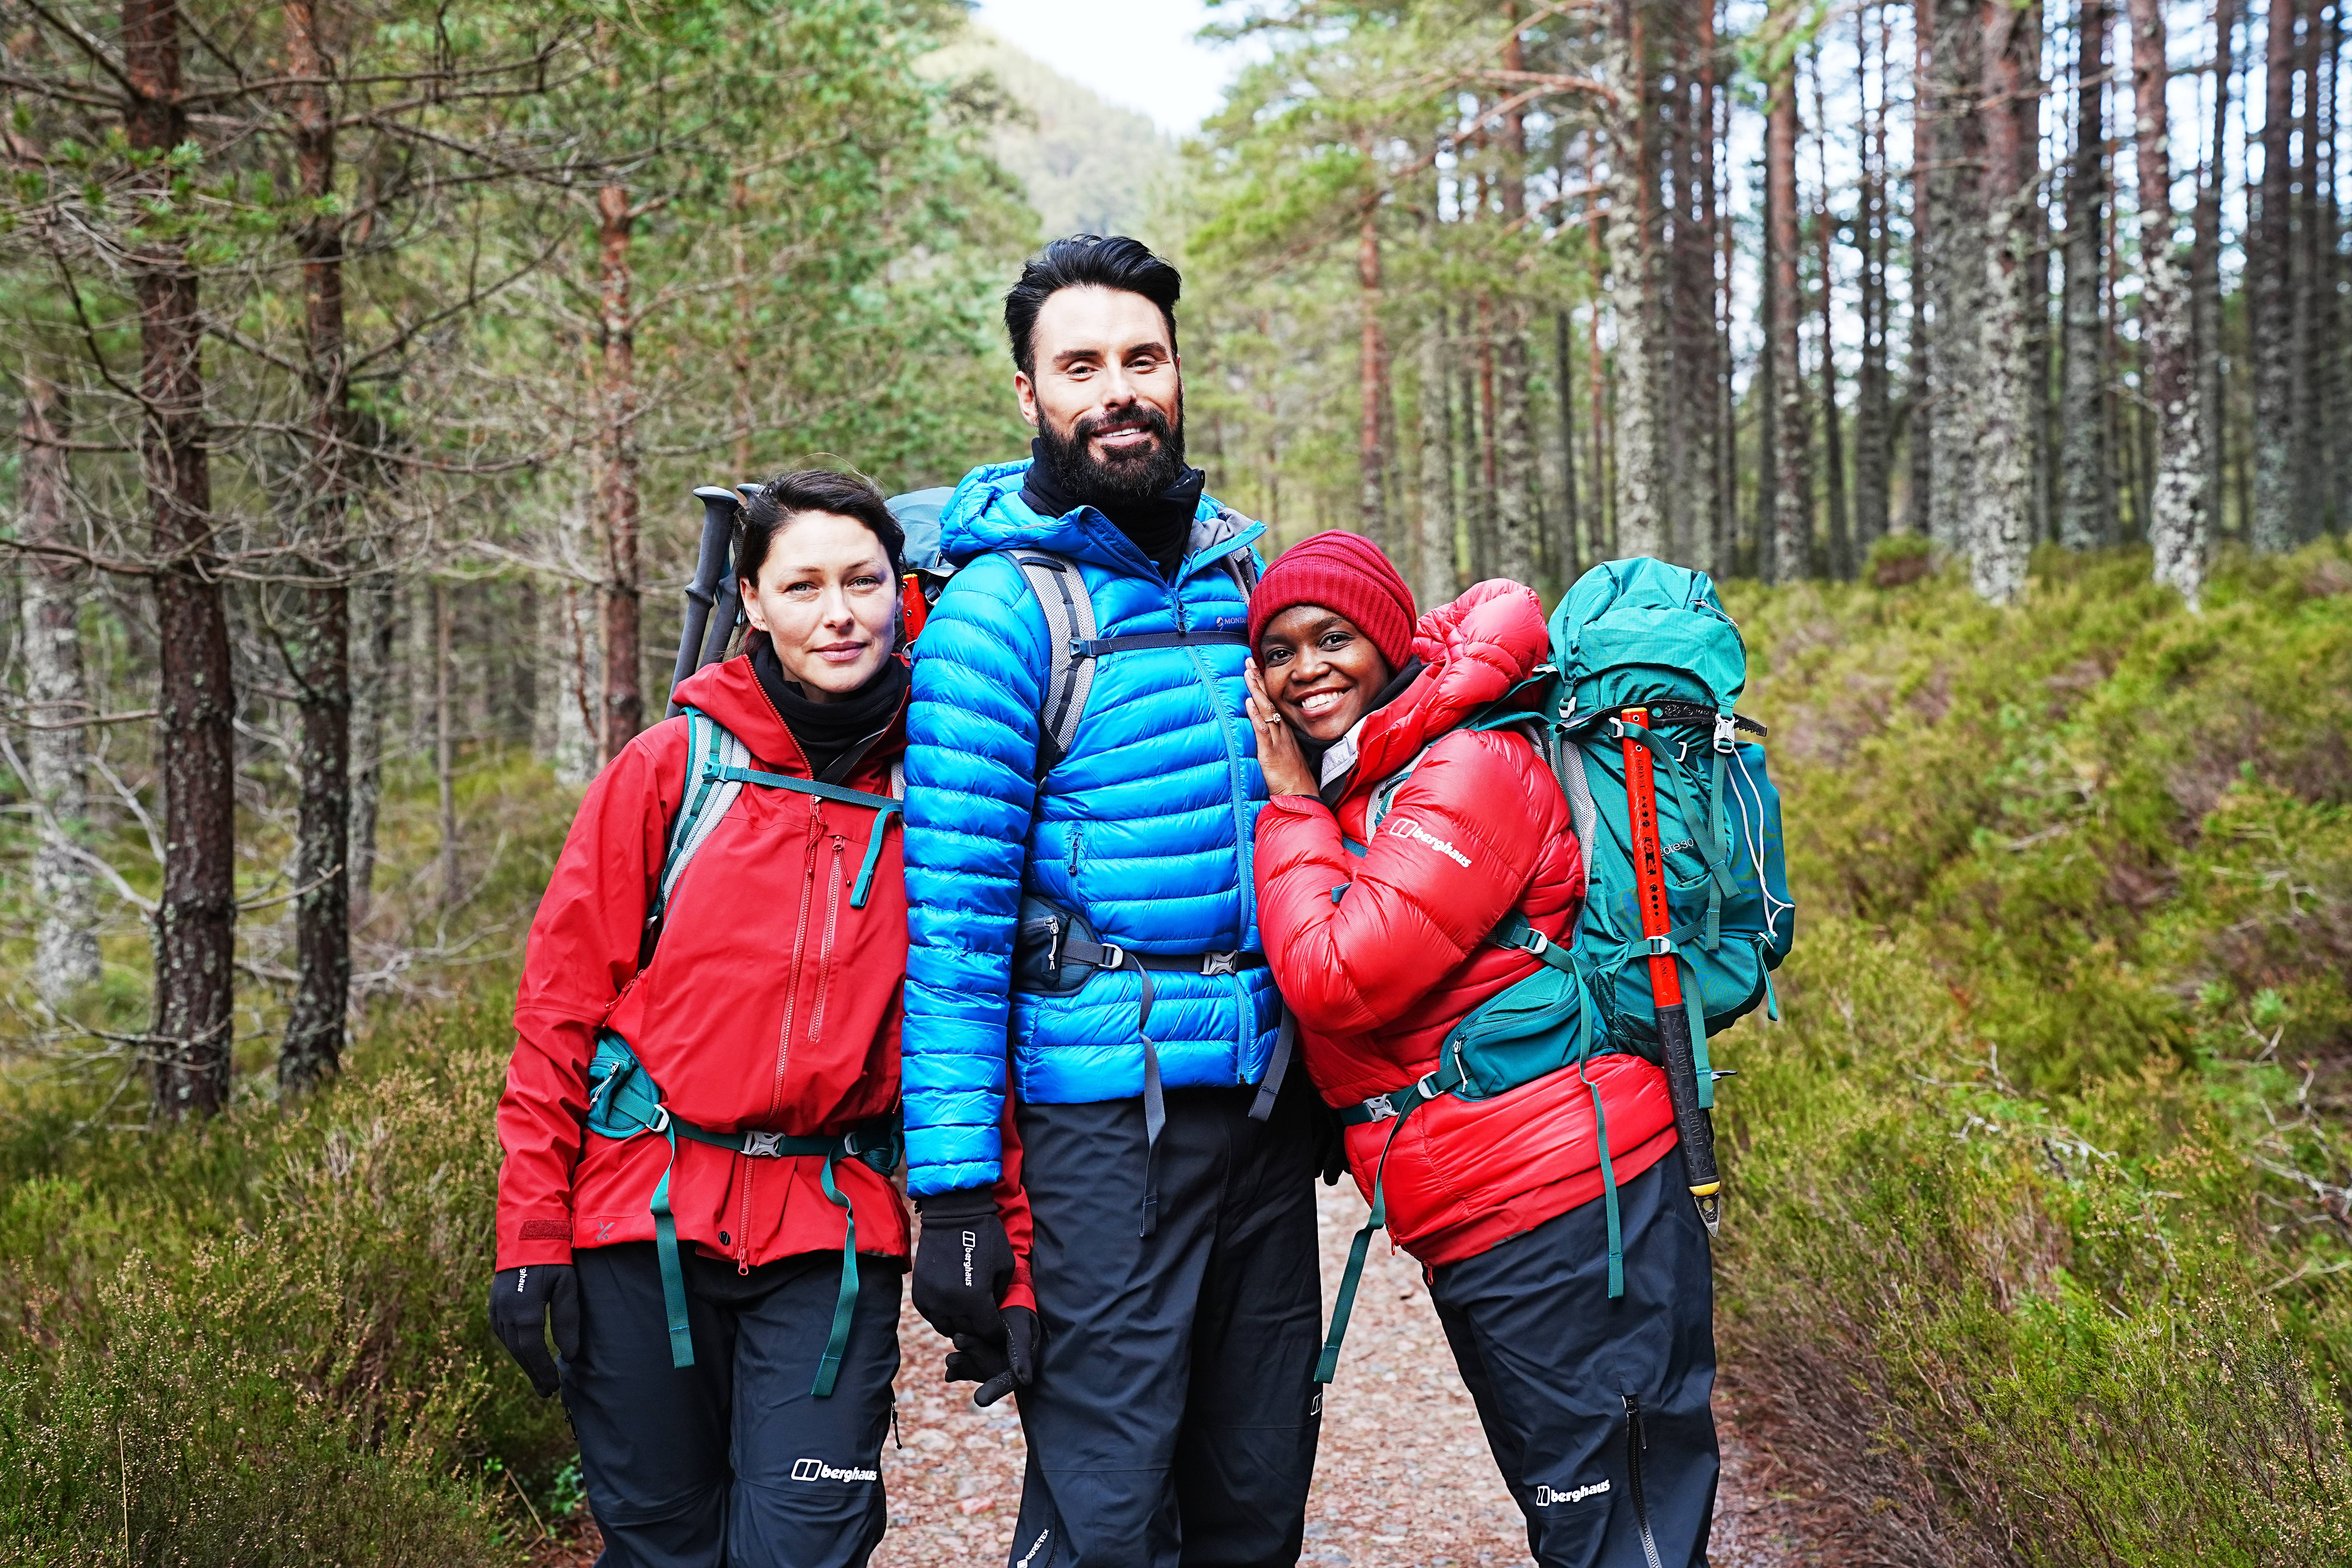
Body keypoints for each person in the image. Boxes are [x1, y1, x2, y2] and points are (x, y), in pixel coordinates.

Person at [489, 469, 1028, 1568]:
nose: (840, 612)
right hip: (640, 1226)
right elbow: (559, 1012)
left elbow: (979, 1032)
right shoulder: (671, 770)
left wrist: (1006, 1252)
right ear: (754, 602)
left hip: (830, 1240)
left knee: (807, 1544)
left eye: (865, 581)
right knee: (660, 1546)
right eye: (806, 585)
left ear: (903, 593)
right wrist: (530, 1234)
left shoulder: (947, 791)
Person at [897, 234, 1323, 1568]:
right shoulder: (995, 614)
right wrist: (957, 1191)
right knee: (1110, 1499)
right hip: (1101, 1127)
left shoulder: (1243, 582)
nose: (1117, 390)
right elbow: (955, 932)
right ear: (1028, 395)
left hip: (1262, 1107)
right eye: (1080, 366)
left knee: (1256, 1495)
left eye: (1142, 358)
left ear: (1180, 374)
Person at [1242, 532, 1719, 1568]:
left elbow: (1337, 973)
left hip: (1571, 1202)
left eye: (1333, 637)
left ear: (1390, 640)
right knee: (1590, 1513)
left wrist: (1286, 807)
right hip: (1505, 1206)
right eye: (1278, 651)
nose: (1307, 668)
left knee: (1617, 1522)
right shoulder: (1376, 773)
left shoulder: (1467, 765)